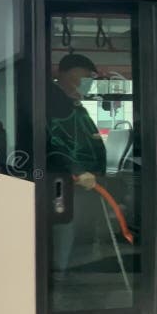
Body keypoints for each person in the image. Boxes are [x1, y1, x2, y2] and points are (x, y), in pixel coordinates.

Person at [46, 54, 107, 276]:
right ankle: (58, 286)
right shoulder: (53, 102)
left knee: (77, 239)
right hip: (66, 182)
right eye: (87, 76)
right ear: (72, 74)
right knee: (64, 235)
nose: (90, 81)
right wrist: (77, 170)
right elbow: (53, 142)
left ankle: (70, 279)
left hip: (85, 185)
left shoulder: (73, 103)